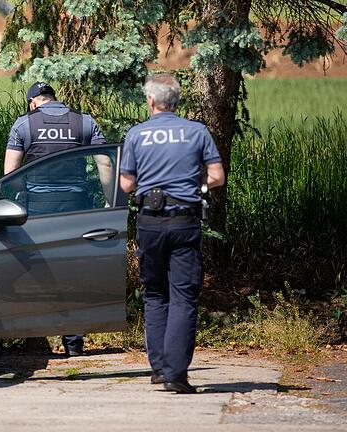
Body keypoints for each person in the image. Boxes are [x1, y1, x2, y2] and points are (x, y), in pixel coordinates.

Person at [119, 73, 225, 393]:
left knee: (155, 294)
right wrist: (198, 186)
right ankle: (176, 374)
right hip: (184, 221)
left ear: (150, 101)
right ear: (176, 101)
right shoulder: (197, 131)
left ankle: (159, 369)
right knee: (182, 295)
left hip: (150, 222)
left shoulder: (137, 134)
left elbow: (125, 185)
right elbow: (217, 176)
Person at [4, 81, 108, 356]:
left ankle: (35, 339)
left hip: (38, 210)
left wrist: (24, 193)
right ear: (53, 98)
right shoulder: (84, 122)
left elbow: (10, 172)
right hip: (76, 207)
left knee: (36, 273)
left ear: (33, 102)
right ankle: (73, 343)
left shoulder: (24, 124)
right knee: (72, 272)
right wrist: (110, 201)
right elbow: (105, 162)